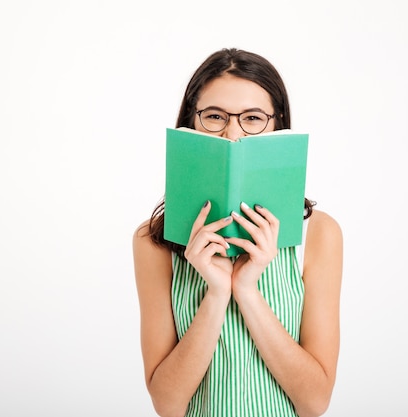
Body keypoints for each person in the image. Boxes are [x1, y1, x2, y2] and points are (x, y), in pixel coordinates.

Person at [132, 48, 343, 417]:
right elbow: (167, 405)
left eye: (253, 118)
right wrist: (216, 294)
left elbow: (315, 402)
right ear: (190, 123)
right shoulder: (153, 242)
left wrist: (246, 290)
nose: (232, 133)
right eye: (214, 116)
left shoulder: (319, 235)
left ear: (277, 125)